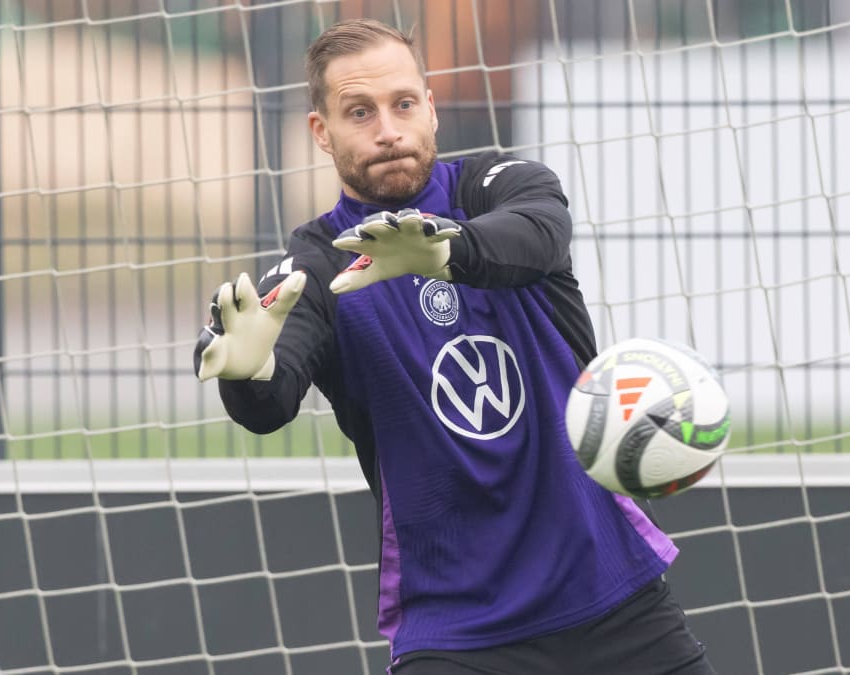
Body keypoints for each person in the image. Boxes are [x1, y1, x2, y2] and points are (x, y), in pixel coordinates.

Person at [194, 18, 715, 675]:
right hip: (455, 629)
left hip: (611, 593)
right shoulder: (318, 264)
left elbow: (538, 234)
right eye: (360, 112)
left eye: (403, 103)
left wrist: (444, 250)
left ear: (431, 108)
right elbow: (270, 398)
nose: (389, 129)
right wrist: (250, 372)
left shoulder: (501, 187)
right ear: (321, 131)